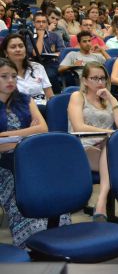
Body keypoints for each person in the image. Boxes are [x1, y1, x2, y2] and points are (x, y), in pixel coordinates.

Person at [0, 58, 57, 248]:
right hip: (5, 165)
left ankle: (57, 236)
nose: (10, 80)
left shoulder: (25, 99)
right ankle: (31, 243)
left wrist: (8, 135)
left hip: (30, 157)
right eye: (4, 76)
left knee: (52, 184)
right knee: (22, 190)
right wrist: (27, 133)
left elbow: (43, 128)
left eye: (13, 76)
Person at [68, 62, 118, 221]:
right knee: (116, 163)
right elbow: (78, 127)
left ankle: (101, 203)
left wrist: (112, 99)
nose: (100, 82)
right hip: (82, 147)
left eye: (103, 78)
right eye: (95, 78)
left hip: (106, 147)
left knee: (111, 150)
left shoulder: (108, 99)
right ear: (85, 80)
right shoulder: (77, 97)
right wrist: (110, 133)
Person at [0, 34, 53, 112]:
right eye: (13, 47)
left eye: (21, 46)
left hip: (44, 108)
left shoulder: (37, 67)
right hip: (20, 111)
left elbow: (50, 95)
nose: (18, 49)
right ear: (6, 53)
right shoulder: (2, 73)